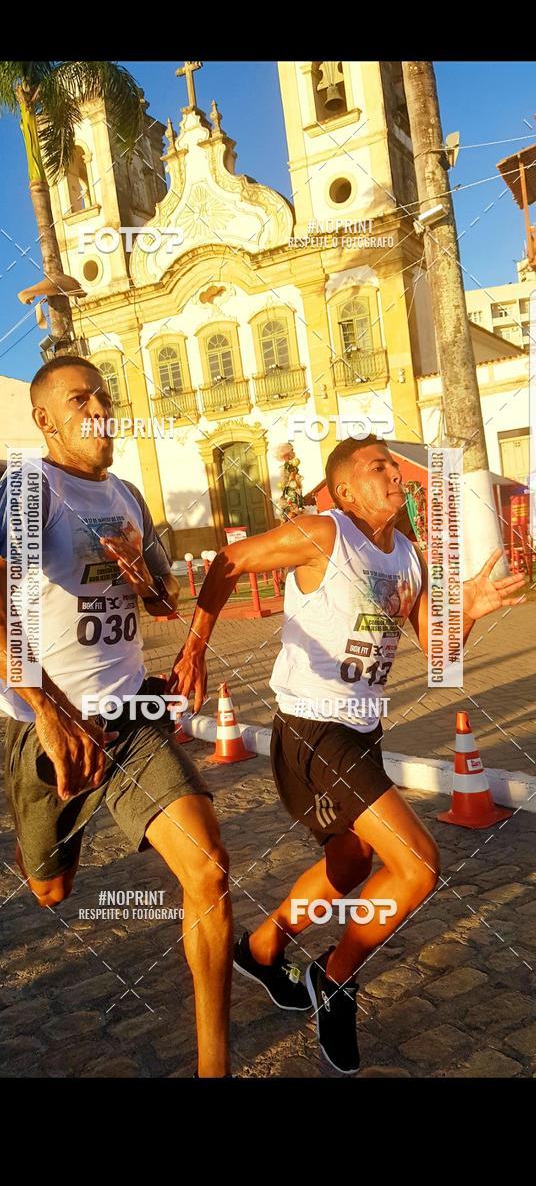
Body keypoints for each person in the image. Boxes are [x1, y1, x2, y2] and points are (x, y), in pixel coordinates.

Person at [170, 434, 527, 1073]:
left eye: (395, 464)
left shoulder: (410, 557)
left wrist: (466, 609)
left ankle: (260, 947)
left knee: (349, 863)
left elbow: (437, 653)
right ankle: (333, 980)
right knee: (417, 864)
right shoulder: (321, 533)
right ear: (343, 489)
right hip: (312, 731)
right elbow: (228, 565)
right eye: (378, 466)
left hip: (360, 733)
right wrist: (195, 647)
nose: (394, 473)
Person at [0, 355, 233, 1078]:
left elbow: (165, 598)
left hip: (131, 711)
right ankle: (39, 844)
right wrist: (46, 708)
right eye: (81, 399)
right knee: (52, 888)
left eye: (105, 396)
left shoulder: (131, 496)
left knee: (208, 870)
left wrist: (162, 597)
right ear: (46, 419)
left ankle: (214, 1067)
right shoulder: (29, 488)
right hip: (45, 724)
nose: (100, 409)